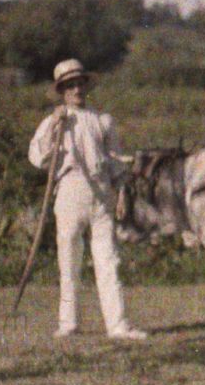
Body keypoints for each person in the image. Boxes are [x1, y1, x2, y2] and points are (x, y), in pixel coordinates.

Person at [28, 59, 148, 343]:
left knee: (108, 260)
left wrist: (121, 192)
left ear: (86, 86)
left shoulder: (103, 121)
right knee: (69, 261)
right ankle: (68, 323)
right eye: (70, 86)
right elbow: (38, 158)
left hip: (101, 193)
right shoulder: (54, 121)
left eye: (80, 84)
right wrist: (54, 125)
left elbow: (115, 161)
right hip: (70, 191)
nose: (76, 90)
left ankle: (118, 326)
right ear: (61, 91)